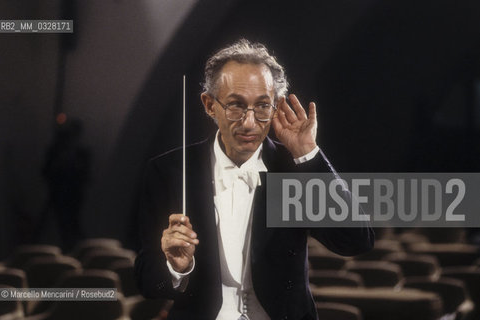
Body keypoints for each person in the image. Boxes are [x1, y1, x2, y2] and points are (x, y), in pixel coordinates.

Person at [135, 39, 374, 320]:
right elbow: (148, 283)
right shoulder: (168, 171)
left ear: (276, 107)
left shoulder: (294, 169)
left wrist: (308, 156)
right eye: (236, 105)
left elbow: (356, 241)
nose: (249, 123)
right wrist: (176, 269)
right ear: (210, 105)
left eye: (262, 106)